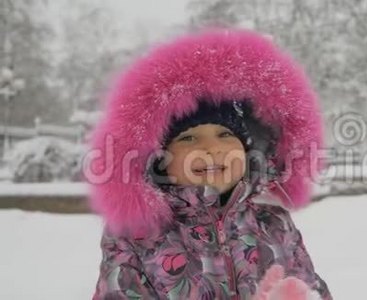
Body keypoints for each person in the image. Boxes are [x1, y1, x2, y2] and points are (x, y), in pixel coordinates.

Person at [88, 28, 331, 300]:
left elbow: (311, 290)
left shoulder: (275, 224)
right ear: (160, 161)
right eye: (188, 138)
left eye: (226, 135)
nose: (211, 149)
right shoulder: (136, 237)